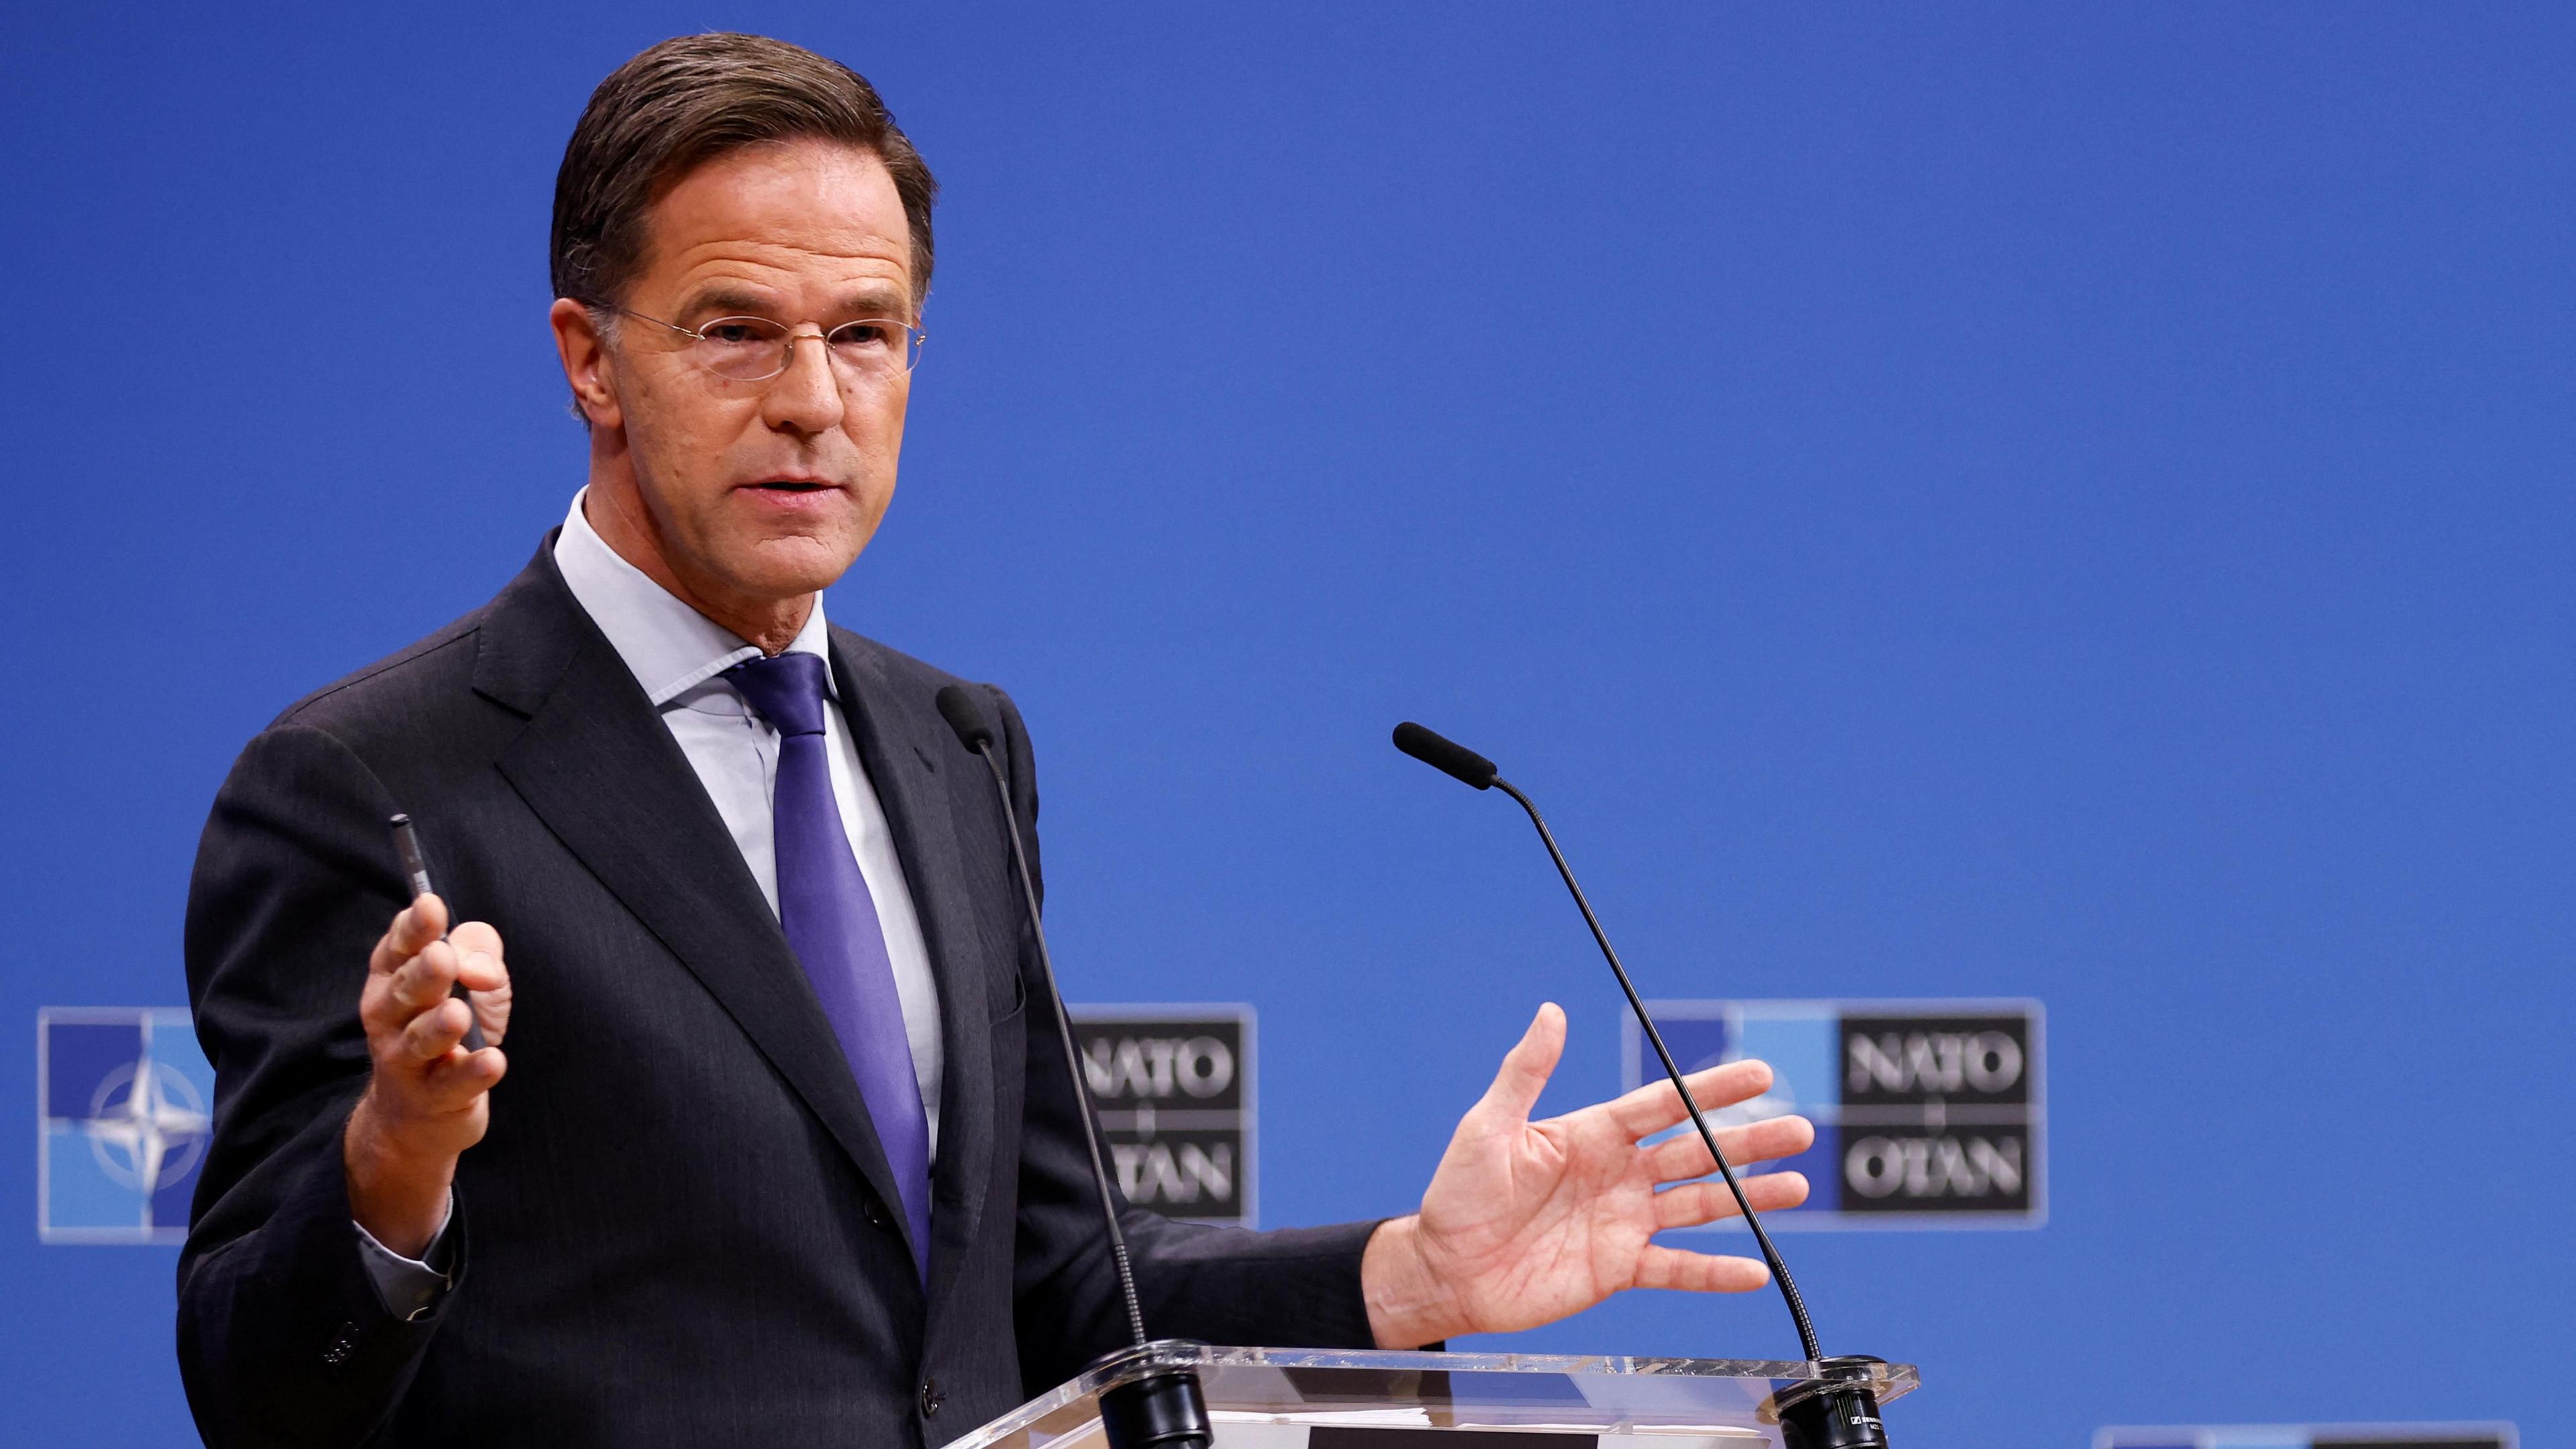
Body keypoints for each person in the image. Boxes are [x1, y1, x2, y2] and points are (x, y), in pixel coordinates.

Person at [178, 33, 1814, 1449]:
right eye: (736, 330)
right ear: (591, 361)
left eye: (866, 334)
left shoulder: (956, 744)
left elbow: (1053, 1274)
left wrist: (1406, 1275)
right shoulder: (372, 782)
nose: (813, 398)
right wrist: (395, 1164)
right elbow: (264, 1394)